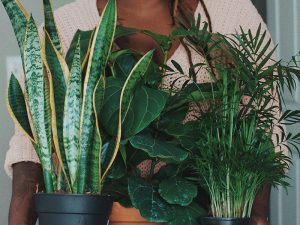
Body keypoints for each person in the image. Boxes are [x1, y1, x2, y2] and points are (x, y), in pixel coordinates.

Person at [4, 0, 276, 224]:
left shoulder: (230, 14)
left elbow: (266, 125)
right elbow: (31, 148)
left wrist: (258, 216)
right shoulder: (65, 26)